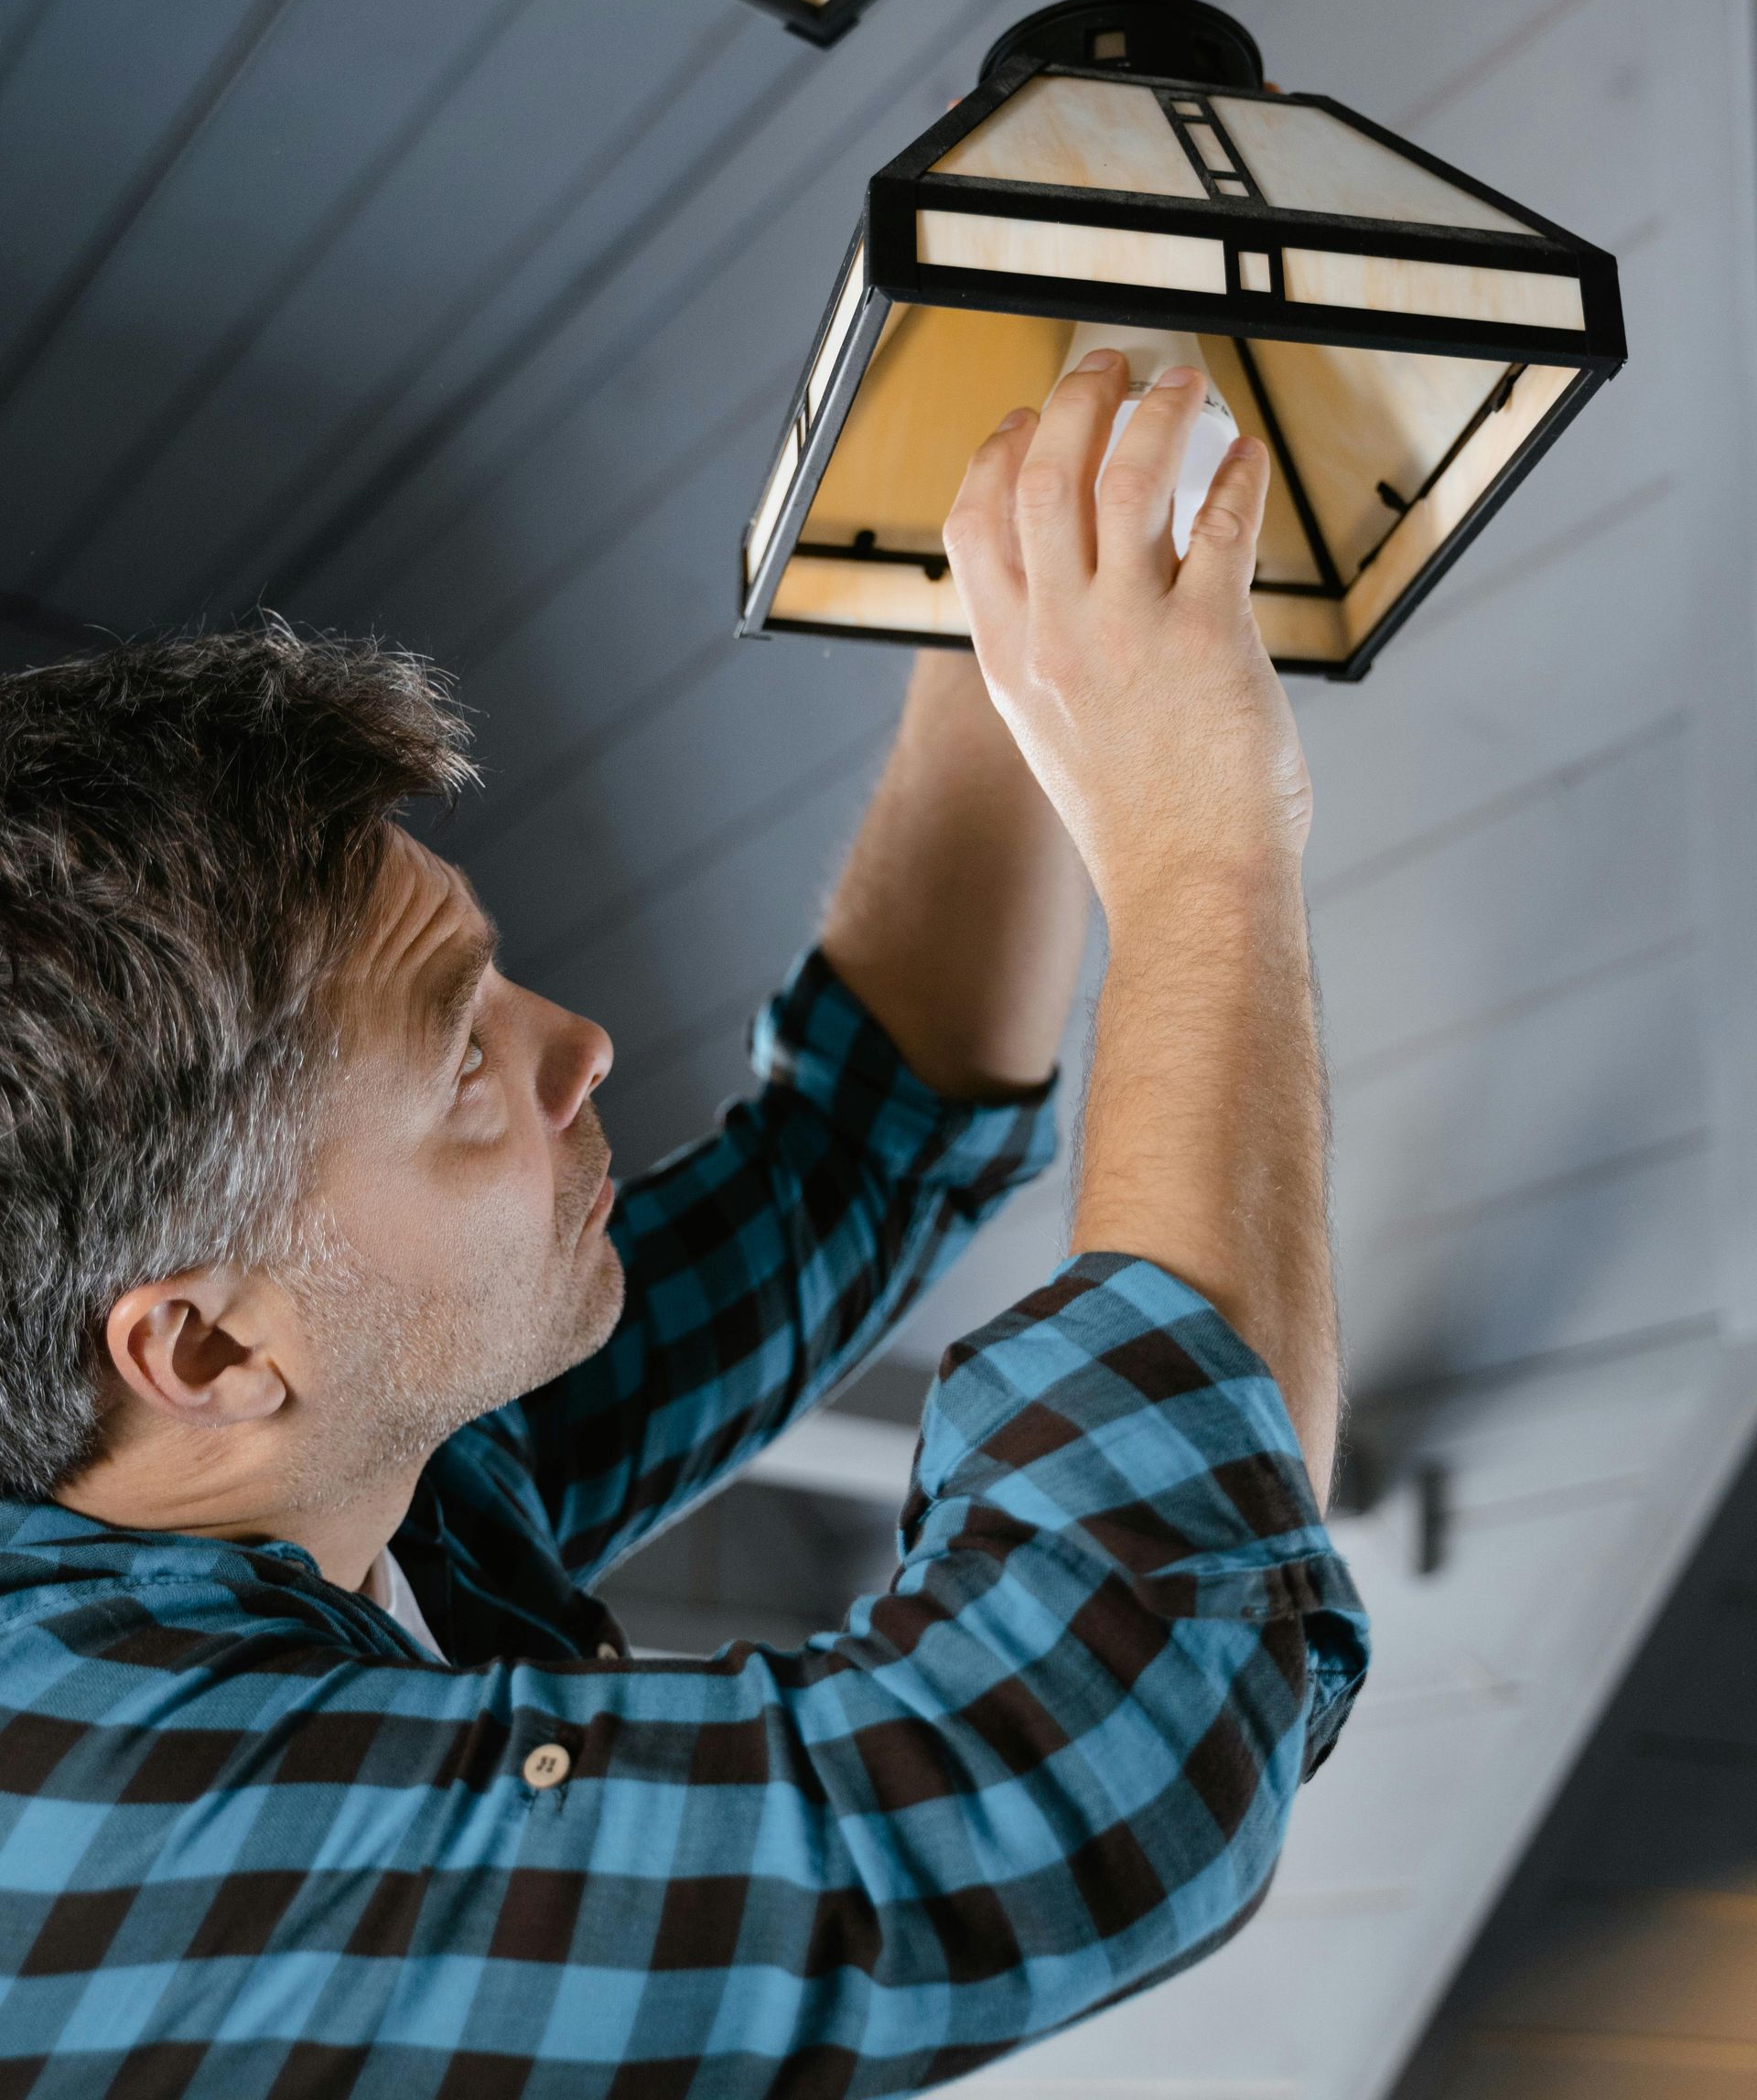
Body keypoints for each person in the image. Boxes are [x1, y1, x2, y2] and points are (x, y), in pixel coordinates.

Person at [0, 350, 1365, 2097]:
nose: (580, 1047)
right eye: (460, 1059)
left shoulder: (347, 1446)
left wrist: (1023, 600)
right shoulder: (118, 1829)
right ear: (207, 1346)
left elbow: (854, 1162)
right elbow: (1063, 1762)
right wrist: (1208, 851)